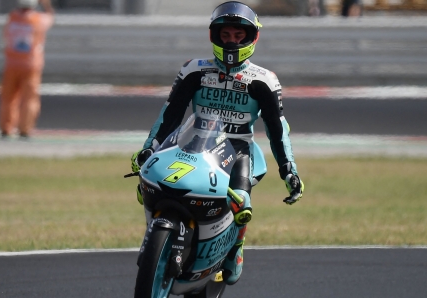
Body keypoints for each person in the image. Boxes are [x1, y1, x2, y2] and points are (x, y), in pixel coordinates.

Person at [130, 1, 304, 286]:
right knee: (153, 179)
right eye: (226, 36)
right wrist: (151, 146)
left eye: (238, 36)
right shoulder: (193, 70)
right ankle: (159, 235)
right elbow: (171, 113)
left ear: (251, 37)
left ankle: (235, 249)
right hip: (194, 141)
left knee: (242, 200)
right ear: (215, 36)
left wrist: (289, 169)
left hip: (238, 150)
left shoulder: (264, 80)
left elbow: (277, 129)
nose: (232, 41)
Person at [0, 0, 54, 139]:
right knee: (29, 99)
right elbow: (50, 17)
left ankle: (6, 128)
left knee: (8, 98)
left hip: (11, 63)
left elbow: (5, 34)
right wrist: (46, 4)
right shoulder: (38, 19)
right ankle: (25, 129)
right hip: (31, 64)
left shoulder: (12, 17)